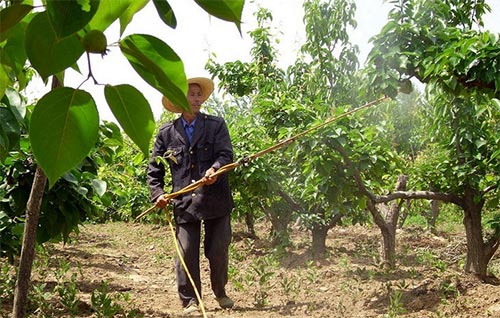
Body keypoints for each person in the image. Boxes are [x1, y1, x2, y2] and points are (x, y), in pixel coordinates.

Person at [147, 77, 235, 314]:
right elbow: (154, 168)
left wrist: (215, 169)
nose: (196, 99)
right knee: (186, 252)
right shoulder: (166, 133)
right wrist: (158, 194)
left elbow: (226, 154)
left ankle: (220, 292)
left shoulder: (216, 125)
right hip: (185, 201)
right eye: (190, 95)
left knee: (218, 249)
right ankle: (190, 301)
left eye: (198, 95)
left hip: (215, 197)